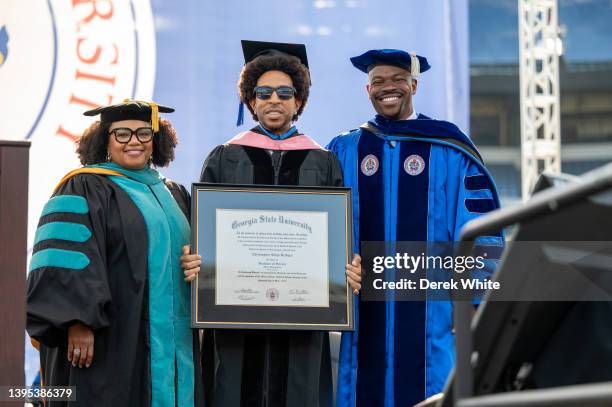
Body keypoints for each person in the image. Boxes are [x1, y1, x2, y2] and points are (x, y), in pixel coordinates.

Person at [328, 49, 504, 406]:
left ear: (414, 84)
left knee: (433, 388)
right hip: (364, 307)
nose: (387, 88)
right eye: (378, 81)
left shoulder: (450, 148)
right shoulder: (345, 148)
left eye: (397, 80)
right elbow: (324, 228)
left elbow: (479, 228)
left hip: (432, 308)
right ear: (367, 90)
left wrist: (472, 301)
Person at [196, 40, 361, 407]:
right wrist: (196, 257)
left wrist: (346, 265)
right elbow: (203, 234)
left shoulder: (323, 160)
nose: (274, 99)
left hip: (302, 316)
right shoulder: (225, 157)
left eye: (285, 92)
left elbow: (337, 235)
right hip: (236, 317)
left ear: (298, 101)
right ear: (250, 101)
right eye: (264, 92)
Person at [26, 100, 204, 407]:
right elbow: (65, 261)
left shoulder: (175, 193)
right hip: (112, 338)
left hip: (172, 342)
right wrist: (77, 322)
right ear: (105, 140)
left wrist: (196, 264)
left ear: (156, 140)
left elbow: (191, 258)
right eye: (122, 133)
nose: (134, 141)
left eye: (144, 133)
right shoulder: (84, 187)